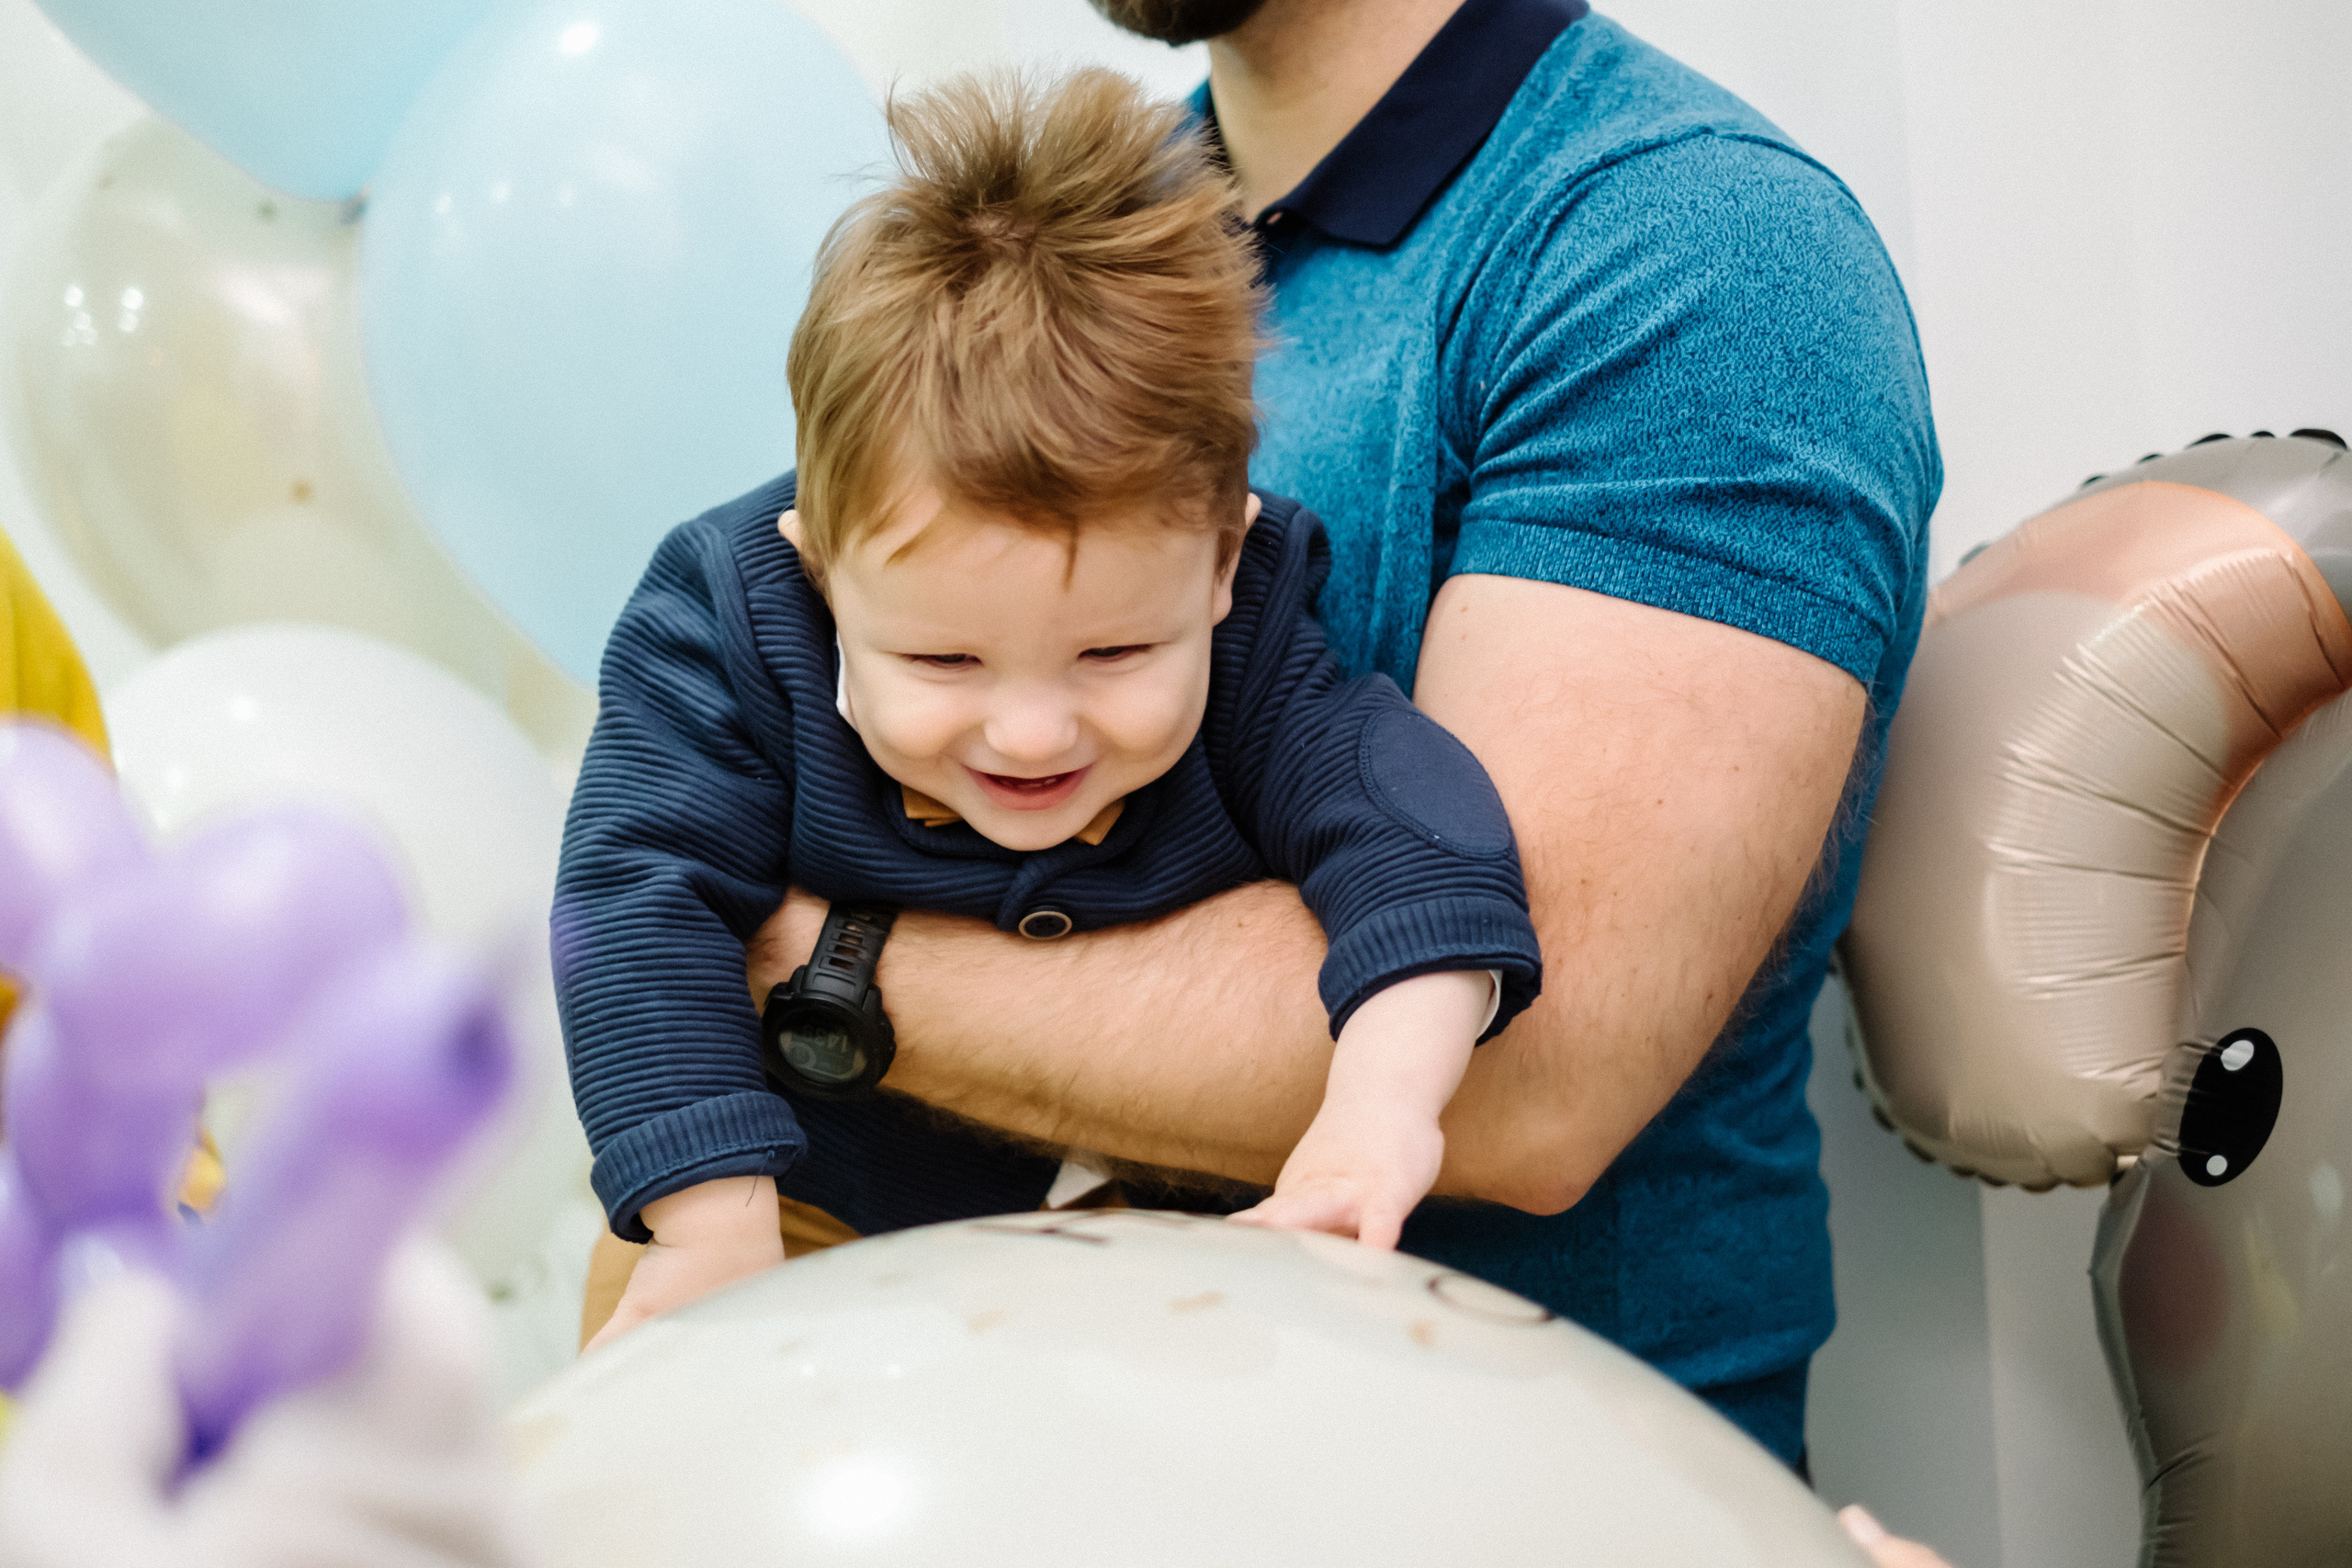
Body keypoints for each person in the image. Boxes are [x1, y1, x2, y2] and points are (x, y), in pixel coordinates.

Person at [740, 0, 1939, 1471]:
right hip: (1037, 1429)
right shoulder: (1068, 246)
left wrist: (785, 958)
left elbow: (1531, 1068)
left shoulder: (1687, 248)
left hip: (1503, 1474)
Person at [555, 70, 1544, 1350]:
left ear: (1223, 565)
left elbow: (1425, 852)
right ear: (819, 574)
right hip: (794, 1195)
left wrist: (1375, 1117)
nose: (1033, 733)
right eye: (947, 665)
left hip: (1145, 1249)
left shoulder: (1251, 652)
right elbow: (634, 906)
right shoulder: (728, 624)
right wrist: (709, 1219)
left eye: (1115, 652)